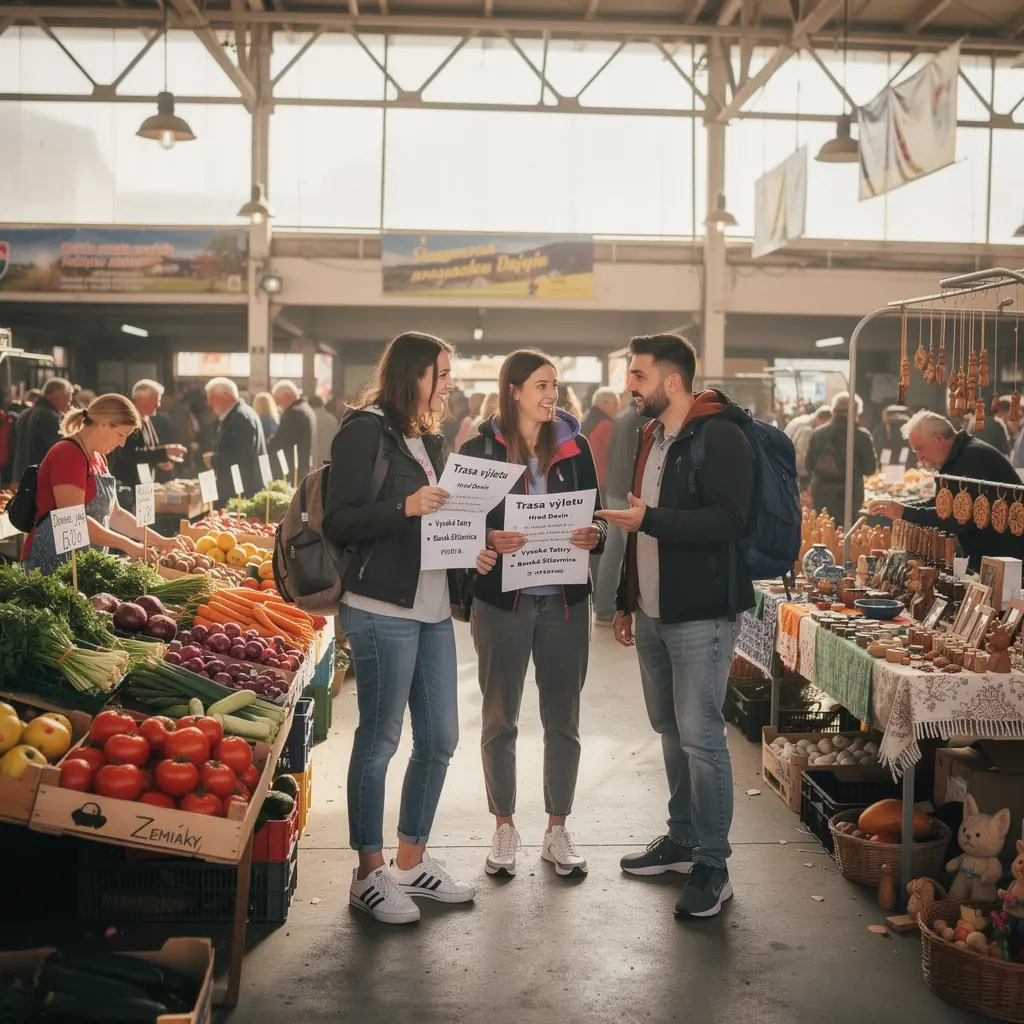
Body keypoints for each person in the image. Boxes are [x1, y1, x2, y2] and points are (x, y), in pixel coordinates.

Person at [323, 332, 496, 925]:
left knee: (441, 739)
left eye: (448, 373)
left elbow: (443, 519)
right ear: (409, 375)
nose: (448, 383)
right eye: (439, 373)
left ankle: (409, 861)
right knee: (380, 741)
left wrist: (470, 547)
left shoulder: (430, 439)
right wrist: (405, 508)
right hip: (379, 609)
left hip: (431, 609)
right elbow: (340, 520)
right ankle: (367, 874)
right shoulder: (363, 431)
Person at [598, 333, 754, 919]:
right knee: (669, 729)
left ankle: (714, 863)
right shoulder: (650, 436)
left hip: (701, 615)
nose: (628, 386)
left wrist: (653, 519)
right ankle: (683, 838)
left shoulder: (721, 435)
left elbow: (729, 520)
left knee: (702, 738)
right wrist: (624, 596)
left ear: (670, 381)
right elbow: (639, 525)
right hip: (652, 613)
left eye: (637, 375)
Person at [460, 350, 606, 881]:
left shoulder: (576, 447)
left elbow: (598, 517)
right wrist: (486, 538)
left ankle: (556, 828)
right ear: (514, 390)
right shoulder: (479, 449)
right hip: (501, 604)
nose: (553, 395)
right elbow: (456, 526)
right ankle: (504, 825)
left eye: (556, 385)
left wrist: (596, 536)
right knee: (500, 718)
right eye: (542, 385)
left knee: (562, 719)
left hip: (565, 602)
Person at [22, 394, 181, 573]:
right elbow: (75, 519)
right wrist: (128, 546)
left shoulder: (99, 457)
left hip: (85, 564)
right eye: (121, 434)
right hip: (54, 563)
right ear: (104, 423)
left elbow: (116, 515)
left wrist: (160, 540)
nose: (122, 444)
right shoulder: (67, 454)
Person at [868, 409, 1023, 568]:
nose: (918, 457)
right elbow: (941, 506)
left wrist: (904, 512)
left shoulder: (972, 457)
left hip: (1008, 559)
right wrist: (901, 508)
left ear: (938, 439)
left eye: (919, 448)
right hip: (985, 555)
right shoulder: (952, 459)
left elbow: (956, 517)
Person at [594, 399, 643, 624]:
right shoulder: (640, 419)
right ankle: (627, 609)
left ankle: (603, 606)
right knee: (631, 552)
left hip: (615, 488)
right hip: (629, 492)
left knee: (612, 552)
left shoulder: (622, 417)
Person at [108, 380, 187, 502]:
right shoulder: (129, 419)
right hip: (129, 485)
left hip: (145, 482)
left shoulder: (146, 417)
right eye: (156, 400)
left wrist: (160, 459)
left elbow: (148, 448)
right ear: (141, 400)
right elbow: (129, 453)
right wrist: (164, 452)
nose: (159, 405)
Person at [805, 392, 876, 526]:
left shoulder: (818, 433)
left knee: (823, 534)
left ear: (833, 410)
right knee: (845, 539)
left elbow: (808, 465)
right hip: (849, 498)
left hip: (821, 495)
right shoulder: (862, 436)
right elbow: (870, 469)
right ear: (855, 412)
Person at [203, 378, 267, 504]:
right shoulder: (239, 413)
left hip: (241, 490)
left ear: (226, 396)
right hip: (238, 487)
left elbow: (242, 454)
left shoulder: (240, 416)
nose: (209, 403)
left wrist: (214, 459)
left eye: (212, 398)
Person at [11, 377, 73, 481]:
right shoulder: (51, 417)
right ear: (59, 396)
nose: (69, 403)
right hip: (39, 480)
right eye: (68, 398)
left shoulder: (24, 414)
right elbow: (57, 451)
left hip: (20, 477)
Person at [268, 380, 316, 481]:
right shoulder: (306, 409)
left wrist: (270, 441)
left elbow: (283, 441)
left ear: (287, 395)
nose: (277, 403)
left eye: (277, 398)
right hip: (302, 465)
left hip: (292, 467)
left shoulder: (294, 412)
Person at [580, 386, 619, 496]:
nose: (618, 408)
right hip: (601, 481)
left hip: (585, 477)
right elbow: (614, 453)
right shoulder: (606, 425)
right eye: (615, 404)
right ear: (605, 403)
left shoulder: (585, 420)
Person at [789, 405, 832, 490]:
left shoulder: (801, 420)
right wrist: (811, 472)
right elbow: (802, 455)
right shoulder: (808, 429)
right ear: (822, 419)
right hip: (800, 472)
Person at [308, 394, 338, 470]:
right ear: (322, 404)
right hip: (327, 460)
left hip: (311, 460)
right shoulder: (332, 419)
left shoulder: (308, 418)